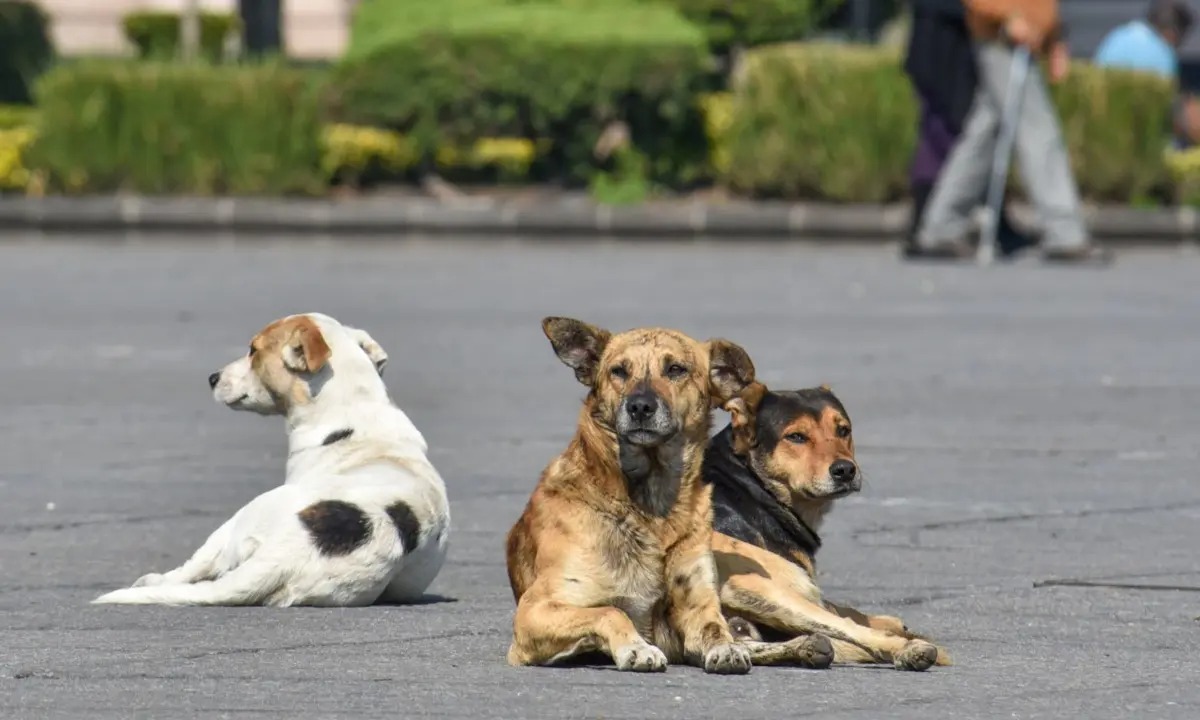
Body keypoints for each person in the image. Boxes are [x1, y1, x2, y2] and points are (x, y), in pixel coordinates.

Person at [913, 0, 1112, 264]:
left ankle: (941, 226)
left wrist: (1053, 39)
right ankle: (1065, 233)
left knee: (984, 136)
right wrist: (1008, 17)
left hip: (1013, 39)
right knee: (1038, 132)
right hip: (1003, 40)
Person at [902, 0, 1036, 259]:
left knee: (959, 133)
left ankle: (942, 223)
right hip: (944, 45)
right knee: (950, 133)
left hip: (946, 41)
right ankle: (930, 222)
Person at [1094, 0, 1198, 149]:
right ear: (1172, 33)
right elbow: (1170, 114)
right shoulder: (1162, 54)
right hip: (1134, 143)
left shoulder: (1117, 36)